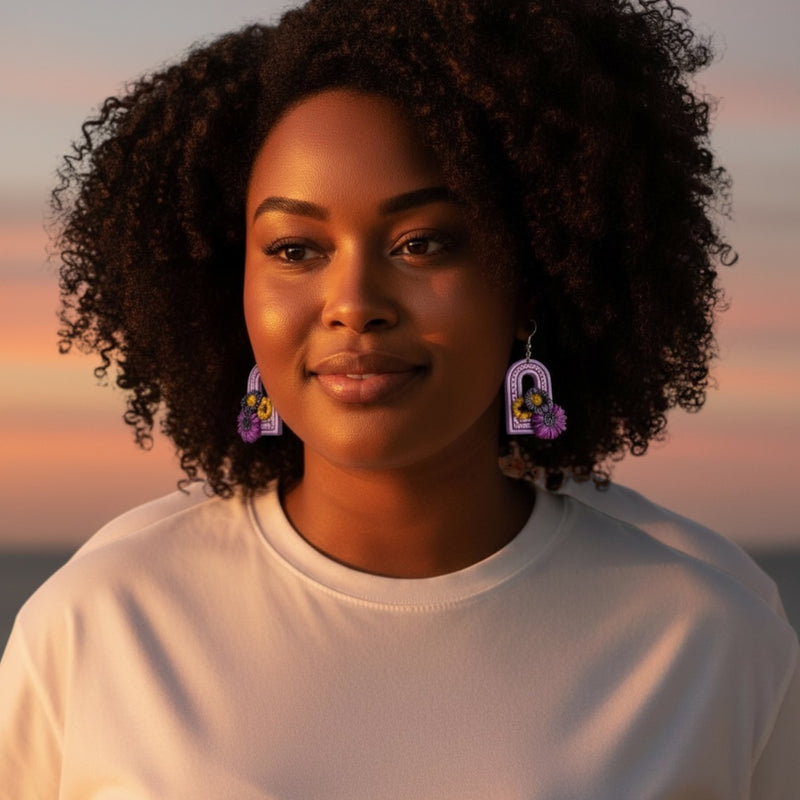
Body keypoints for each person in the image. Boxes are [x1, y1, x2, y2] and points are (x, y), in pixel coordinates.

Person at [1, 0, 797, 796]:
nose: (353, 301)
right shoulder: (101, 624)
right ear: (230, 289)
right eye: (295, 249)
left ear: (532, 281)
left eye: (422, 243)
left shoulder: (708, 640)